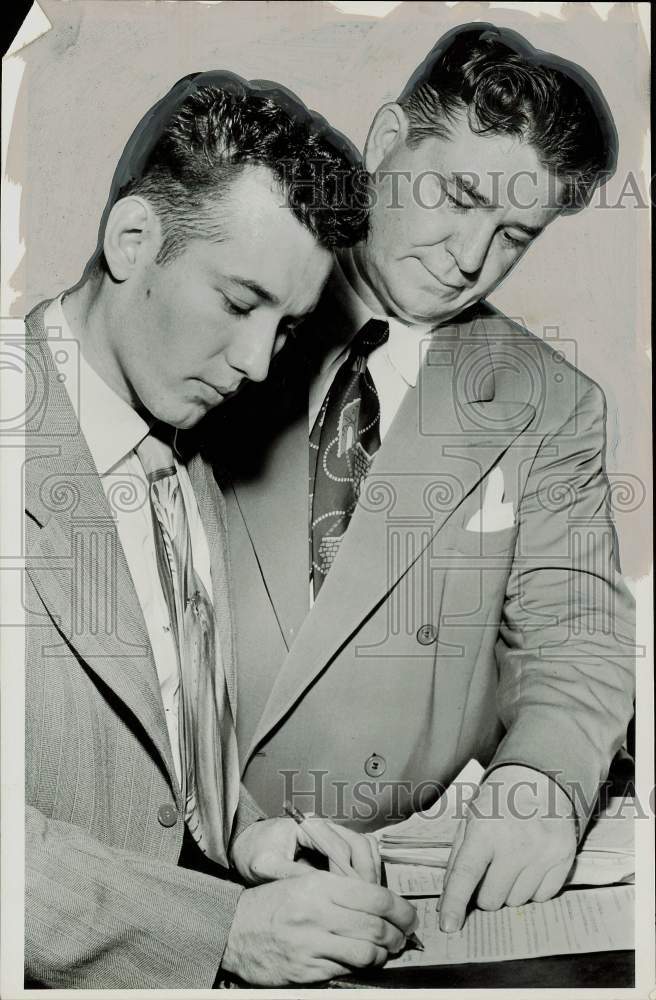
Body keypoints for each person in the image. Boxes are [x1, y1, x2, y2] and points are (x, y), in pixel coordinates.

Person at [218, 25, 636, 935]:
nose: (469, 255)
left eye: (513, 234)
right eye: (458, 194)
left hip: (400, 879)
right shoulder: (226, 308)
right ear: (384, 139)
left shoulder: (551, 404)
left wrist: (543, 782)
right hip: (182, 856)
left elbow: (575, 631)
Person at [23, 72, 418, 988]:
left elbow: (143, 751)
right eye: (241, 303)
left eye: (286, 330)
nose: (253, 364)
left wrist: (241, 835)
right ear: (133, 239)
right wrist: (220, 929)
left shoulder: (186, 460)